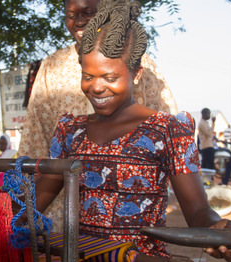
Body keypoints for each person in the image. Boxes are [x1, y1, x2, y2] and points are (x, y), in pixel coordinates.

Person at [33, 0, 231, 260]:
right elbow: (35, 202)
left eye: (110, 78)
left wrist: (217, 229)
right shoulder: (71, 131)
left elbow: (198, 210)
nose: (96, 88)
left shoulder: (167, 131)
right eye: (88, 76)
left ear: (136, 73)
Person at [18, 0, 178, 231]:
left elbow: (164, 127)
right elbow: (36, 130)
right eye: (72, 14)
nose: (79, 20)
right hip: (61, 201)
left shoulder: (138, 62)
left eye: (88, 12)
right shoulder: (51, 67)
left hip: (131, 203)